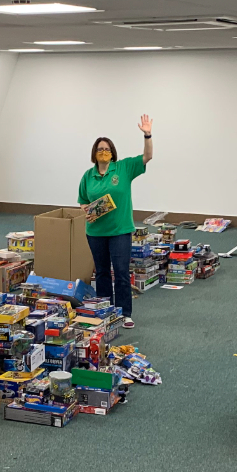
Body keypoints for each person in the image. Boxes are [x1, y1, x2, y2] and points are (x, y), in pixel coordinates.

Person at [77, 115, 153, 329]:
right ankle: (105, 311)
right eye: (100, 149)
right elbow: (82, 201)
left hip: (120, 231)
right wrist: (87, 211)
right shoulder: (88, 176)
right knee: (101, 273)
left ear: (112, 153)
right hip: (95, 232)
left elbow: (148, 156)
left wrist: (147, 134)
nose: (103, 152)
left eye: (107, 149)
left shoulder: (124, 168)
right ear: (94, 153)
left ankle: (124, 313)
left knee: (120, 272)